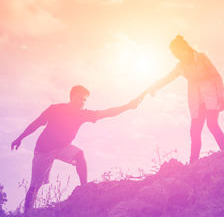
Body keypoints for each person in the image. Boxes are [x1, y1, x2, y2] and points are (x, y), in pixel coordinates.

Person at [11, 85, 140, 213]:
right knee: (35, 185)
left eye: (84, 100)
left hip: (62, 148)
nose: (82, 102)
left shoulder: (82, 114)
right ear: (72, 97)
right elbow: (37, 123)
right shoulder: (55, 109)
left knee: (80, 156)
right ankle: (27, 212)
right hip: (43, 150)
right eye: (80, 98)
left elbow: (107, 113)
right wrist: (20, 138)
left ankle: (84, 189)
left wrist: (128, 106)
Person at [141, 35, 224, 163]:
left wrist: (221, 96)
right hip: (196, 100)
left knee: (212, 124)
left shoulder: (201, 57)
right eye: (174, 54)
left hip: (211, 96)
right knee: (194, 131)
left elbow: (216, 76)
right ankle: (193, 163)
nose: (176, 56)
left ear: (184, 48)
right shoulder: (180, 66)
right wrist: (154, 87)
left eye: (177, 52)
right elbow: (168, 78)